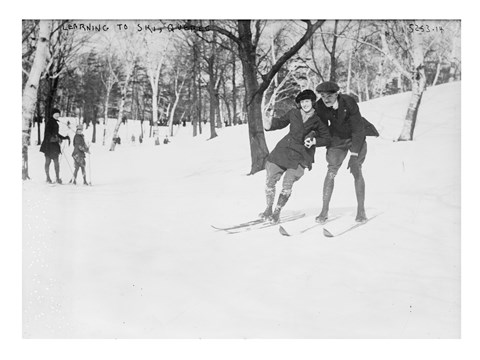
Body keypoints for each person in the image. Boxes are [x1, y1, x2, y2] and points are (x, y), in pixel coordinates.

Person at [261, 89, 331, 223]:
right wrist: (268, 124)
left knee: (288, 182)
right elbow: (280, 122)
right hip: (284, 150)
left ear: (312, 102)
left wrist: (315, 141)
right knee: (270, 179)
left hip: (301, 154)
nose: (305, 104)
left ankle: (277, 212)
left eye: (307, 101)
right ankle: (268, 209)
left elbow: (327, 138)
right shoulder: (293, 113)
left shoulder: (318, 119)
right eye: (302, 102)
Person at [313, 81, 368, 223]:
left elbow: (358, 128)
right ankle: (324, 211)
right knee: (331, 171)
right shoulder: (319, 105)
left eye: (329, 96)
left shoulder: (348, 102)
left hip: (356, 137)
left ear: (337, 94)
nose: (326, 99)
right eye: (323, 96)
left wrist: (354, 154)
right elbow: (320, 127)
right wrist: (311, 136)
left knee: (356, 169)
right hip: (337, 138)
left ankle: (361, 211)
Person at [39, 108, 70, 184]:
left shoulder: (56, 123)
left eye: (58, 114)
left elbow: (57, 134)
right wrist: (54, 139)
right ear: (52, 114)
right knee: (48, 162)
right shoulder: (49, 122)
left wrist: (64, 137)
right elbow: (47, 134)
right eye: (56, 114)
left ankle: (57, 178)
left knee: (56, 163)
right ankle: (48, 178)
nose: (57, 115)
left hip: (55, 147)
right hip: (48, 146)